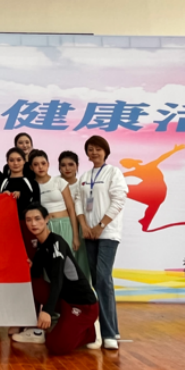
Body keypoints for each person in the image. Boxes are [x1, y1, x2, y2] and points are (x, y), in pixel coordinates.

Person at [12, 205, 101, 355]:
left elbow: (57, 279)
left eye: (37, 219)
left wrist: (47, 311)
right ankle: (37, 331)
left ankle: (91, 332)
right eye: (28, 220)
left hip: (83, 305)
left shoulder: (56, 243)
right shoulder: (41, 246)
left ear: (47, 219)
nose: (33, 223)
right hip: (65, 300)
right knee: (31, 283)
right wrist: (26, 265)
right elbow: (35, 275)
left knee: (55, 346)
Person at [74, 136, 128, 351]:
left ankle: (108, 334)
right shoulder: (85, 176)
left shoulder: (113, 173)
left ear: (105, 151)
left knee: (103, 279)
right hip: (89, 234)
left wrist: (100, 226)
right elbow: (79, 202)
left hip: (108, 234)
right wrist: (84, 226)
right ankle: (111, 329)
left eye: (98, 149)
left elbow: (119, 200)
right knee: (98, 281)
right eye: (90, 149)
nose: (94, 152)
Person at [29, 150, 90, 281]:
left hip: (65, 225)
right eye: (36, 164)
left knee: (68, 264)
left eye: (43, 163)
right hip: (45, 228)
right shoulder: (31, 185)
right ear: (31, 167)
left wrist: (75, 236)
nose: (40, 167)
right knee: (50, 265)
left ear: (48, 164)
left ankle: (72, 293)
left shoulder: (59, 182)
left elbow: (71, 209)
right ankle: (55, 293)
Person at [0, 147, 41, 337]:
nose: (15, 163)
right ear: (7, 162)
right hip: (7, 231)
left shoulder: (31, 183)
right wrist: (4, 197)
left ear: (24, 161)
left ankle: (32, 318)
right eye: (11, 160)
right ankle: (15, 319)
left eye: (18, 160)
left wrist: (21, 197)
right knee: (12, 274)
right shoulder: (3, 182)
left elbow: (37, 208)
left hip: (27, 230)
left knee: (31, 271)